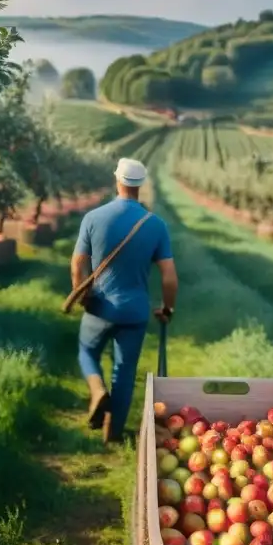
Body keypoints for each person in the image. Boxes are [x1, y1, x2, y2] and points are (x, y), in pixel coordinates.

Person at [71, 157, 178, 444]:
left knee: (87, 352)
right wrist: (167, 308)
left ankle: (96, 390)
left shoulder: (93, 218)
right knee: (125, 370)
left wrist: (82, 294)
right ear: (140, 185)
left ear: (117, 180)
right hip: (135, 312)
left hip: (100, 307)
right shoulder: (156, 225)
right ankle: (113, 433)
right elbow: (169, 277)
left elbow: (77, 263)